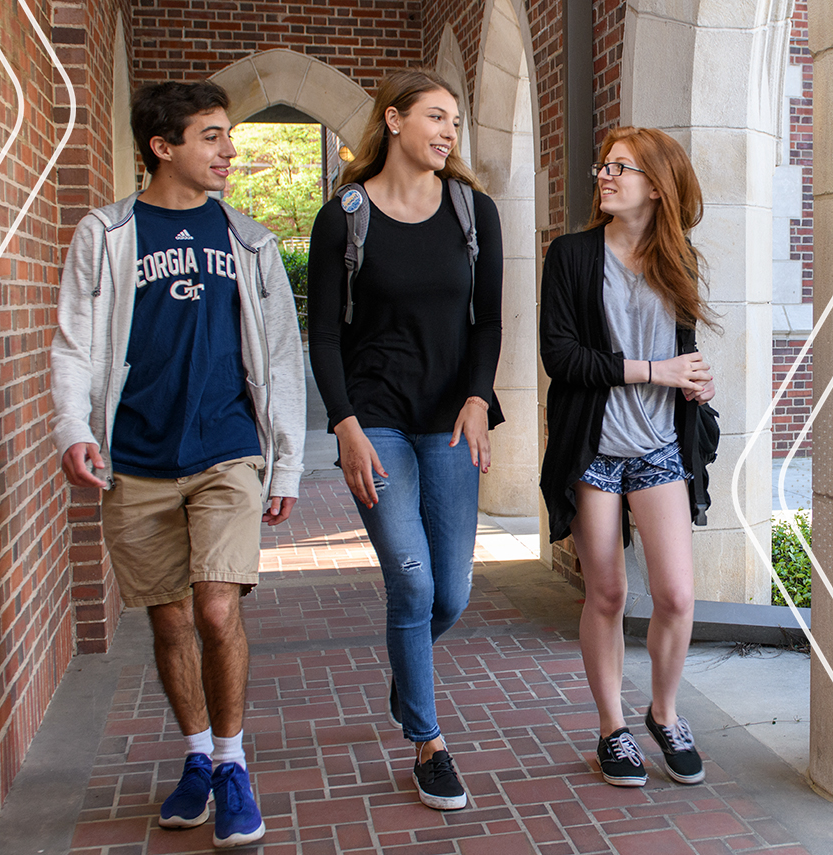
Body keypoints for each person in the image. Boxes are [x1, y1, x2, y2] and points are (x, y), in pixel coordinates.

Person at [50, 80, 305, 848]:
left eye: (229, 136)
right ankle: (196, 755)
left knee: (217, 609)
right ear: (163, 147)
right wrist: (72, 428)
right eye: (213, 136)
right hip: (136, 454)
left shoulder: (251, 241)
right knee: (167, 619)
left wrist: (285, 464)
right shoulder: (107, 234)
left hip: (226, 447)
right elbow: (74, 342)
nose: (230, 151)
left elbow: (283, 360)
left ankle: (232, 763)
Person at [306, 69, 503, 811]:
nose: (449, 131)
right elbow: (323, 332)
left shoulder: (472, 211)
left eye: (455, 120)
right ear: (393, 121)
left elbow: (490, 320)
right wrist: (344, 422)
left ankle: (407, 660)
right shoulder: (344, 216)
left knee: (450, 590)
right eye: (435, 116)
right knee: (413, 580)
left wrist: (481, 397)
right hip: (377, 417)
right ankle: (427, 738)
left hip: (452, 418)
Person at [539, 127, 718, 788]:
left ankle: (664, 714)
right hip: (592, 447)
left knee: (675, 592)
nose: (605, 175)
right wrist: (658, 370)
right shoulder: (573, 256)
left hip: (660, 446)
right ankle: (612, 726)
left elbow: (684, 356)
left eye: (622, 167)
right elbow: (560, 357)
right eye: (604, 163)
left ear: (657, 185)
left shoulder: (680, 260)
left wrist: (697, 379)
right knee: (608, 591)